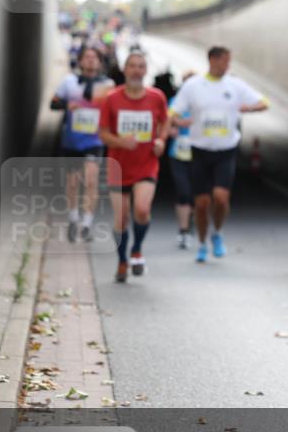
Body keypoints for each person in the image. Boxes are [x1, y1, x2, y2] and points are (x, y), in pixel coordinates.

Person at [169, 46, 268, 263]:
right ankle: (202, 242)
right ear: (212, 60)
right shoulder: (193, 86)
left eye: (229, 61)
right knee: (202, 203)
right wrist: (177, 122)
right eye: (225, 61)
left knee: (221, 198)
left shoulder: (235, 85)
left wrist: (249, 108)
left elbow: (264, 102)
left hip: (226, 150)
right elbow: (172, 111)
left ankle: (217, 233)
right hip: (200, 150)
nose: (227, 65)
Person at [98, 51, 169, 283]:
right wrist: (121, 142)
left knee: (141, 209)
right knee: (121, 219)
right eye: (132, 66)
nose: (136, 70)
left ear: (145, 71)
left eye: (141, 66)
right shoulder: (111, 99)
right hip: (118, 167)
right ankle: (122, 261)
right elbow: (103, 134)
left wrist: (161, 141)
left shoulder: (156, 97)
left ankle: (137, 250)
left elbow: (165, 121)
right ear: (125, 69)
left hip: (146, 165)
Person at [50, 46, 114, 242]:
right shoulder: (69, 82)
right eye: (87, 57)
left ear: (100, 62)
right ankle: (73, 219)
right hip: (72, 140)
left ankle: (86, 224)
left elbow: (114, 109)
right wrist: (66, 104)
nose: (91, 60)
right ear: (80, 61)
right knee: (72, 183)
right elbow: (53, 103)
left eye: (95, 57)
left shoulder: (108, 85)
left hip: (95, 140)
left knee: (91, 180)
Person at [167, 71, 197, 248]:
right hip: (178, 153)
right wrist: (171, 130)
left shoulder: (202, 104)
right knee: (183, 191)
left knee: (195, 193)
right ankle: (183, 230)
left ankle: (191, 220)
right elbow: (164, 124)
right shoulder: (174, 102)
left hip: (198, 153)